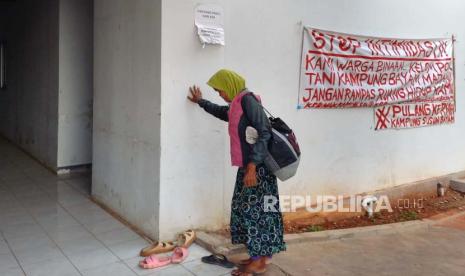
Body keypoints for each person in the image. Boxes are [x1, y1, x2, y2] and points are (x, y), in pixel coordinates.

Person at [188, 69, 286, 276]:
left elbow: (265, 132)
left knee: (255, 212)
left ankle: (259, 262)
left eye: (220, 90)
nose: (220, 95)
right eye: (217, 92)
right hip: (249, 166)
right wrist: (201, 102)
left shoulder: (248, 100)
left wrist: (252, 166)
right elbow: (224, 113)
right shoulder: (237, 104)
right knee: (249, 211)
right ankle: (258, 255)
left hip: (257, 168)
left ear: (230, 84)